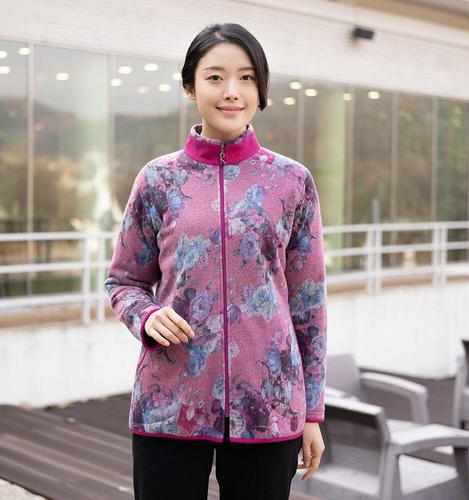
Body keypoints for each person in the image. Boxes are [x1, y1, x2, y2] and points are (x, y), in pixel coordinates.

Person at [105, 22, 327, 500]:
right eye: (215, 77)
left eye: (246, 78)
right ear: (190, 87)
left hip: (269, 406)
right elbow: (122, 281)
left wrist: (312, 412)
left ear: (261, 89)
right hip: (170, 403)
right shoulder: (158, 180)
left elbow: (309, 304)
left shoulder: (292, 182)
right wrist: (146, 316)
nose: (232, 91)